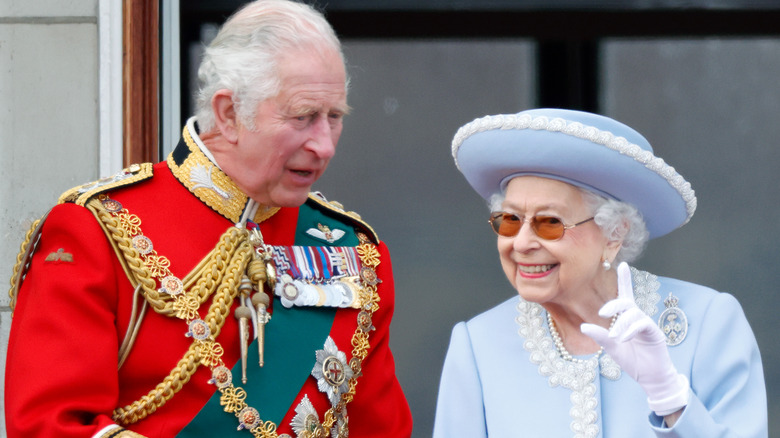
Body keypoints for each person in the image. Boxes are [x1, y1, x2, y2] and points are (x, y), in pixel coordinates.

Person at [5, 1, 412, 437]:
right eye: (304, 117)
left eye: (334, 118)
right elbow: (50, 427)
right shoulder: (101, 231)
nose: (324, 145)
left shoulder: (353, 254)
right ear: (229, 113)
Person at [433, 108, 767, 437]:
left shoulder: (708, 324)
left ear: (614, 234)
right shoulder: (477, 346)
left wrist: (672, 403)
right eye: (509, 220)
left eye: (549, 222)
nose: (520, 243)